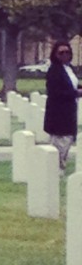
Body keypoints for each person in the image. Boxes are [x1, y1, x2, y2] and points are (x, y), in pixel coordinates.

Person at [43, 40, 81, 172]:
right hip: (58, 113)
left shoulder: (69, 69)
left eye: (67, 52)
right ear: (55, 54)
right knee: (60, 143)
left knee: (67, 140)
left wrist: (77, 89)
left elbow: (72, 85)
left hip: (69, 111)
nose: (64, 55)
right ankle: (56, 170)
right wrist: (75, 93)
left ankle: (59, 168)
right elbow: (55, 92)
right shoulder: (54, 70)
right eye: (61, 52)